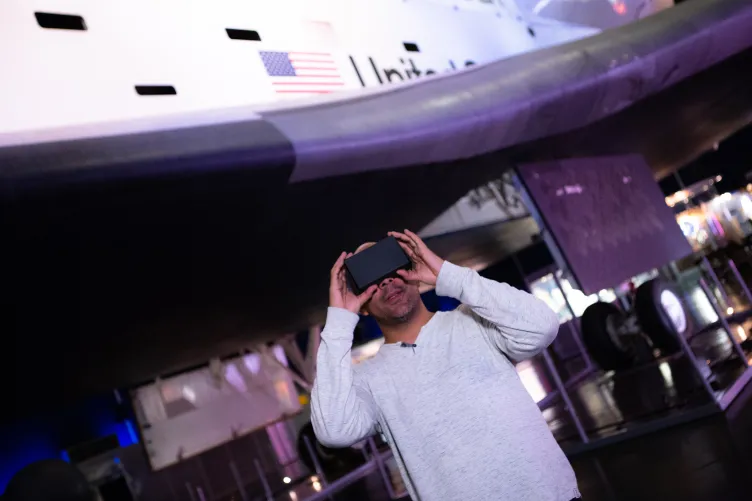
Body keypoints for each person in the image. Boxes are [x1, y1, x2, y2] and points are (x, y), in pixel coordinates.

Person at [311, 230, 581, 501]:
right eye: (370, 278)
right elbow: (334, 431)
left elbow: (542, 328)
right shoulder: (367, 380)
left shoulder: (473, 322)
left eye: (391, 266)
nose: (387, 282)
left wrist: (445, 274)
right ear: (362, 304)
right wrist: (339, 320)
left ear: (413, 271)